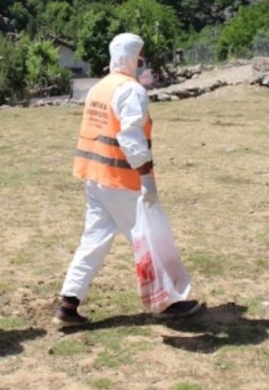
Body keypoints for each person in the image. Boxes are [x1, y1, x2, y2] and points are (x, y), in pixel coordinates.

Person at [54, 32, 201, 328]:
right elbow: (130, 137)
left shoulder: (99, 88)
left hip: (95, 177)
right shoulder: (131, 90)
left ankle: (69, 303)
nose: (143, 61)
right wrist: (146, 177)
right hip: (122, 180)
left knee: (94, 239)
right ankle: (167, 302)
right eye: (141, 55)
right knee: (150, 239)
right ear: (132, 57)